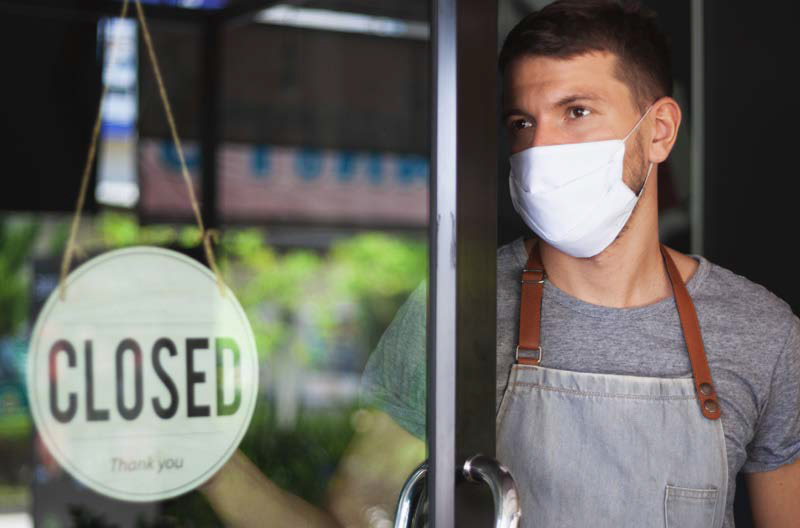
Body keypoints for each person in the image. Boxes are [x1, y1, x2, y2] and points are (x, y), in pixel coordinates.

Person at [202, 1, 800, 526]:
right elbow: (354, 518)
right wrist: (209, 468)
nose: (541, 150)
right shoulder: (456, 312)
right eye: (522, 122)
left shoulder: (761, 335)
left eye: (577, 112)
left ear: (660, 131)